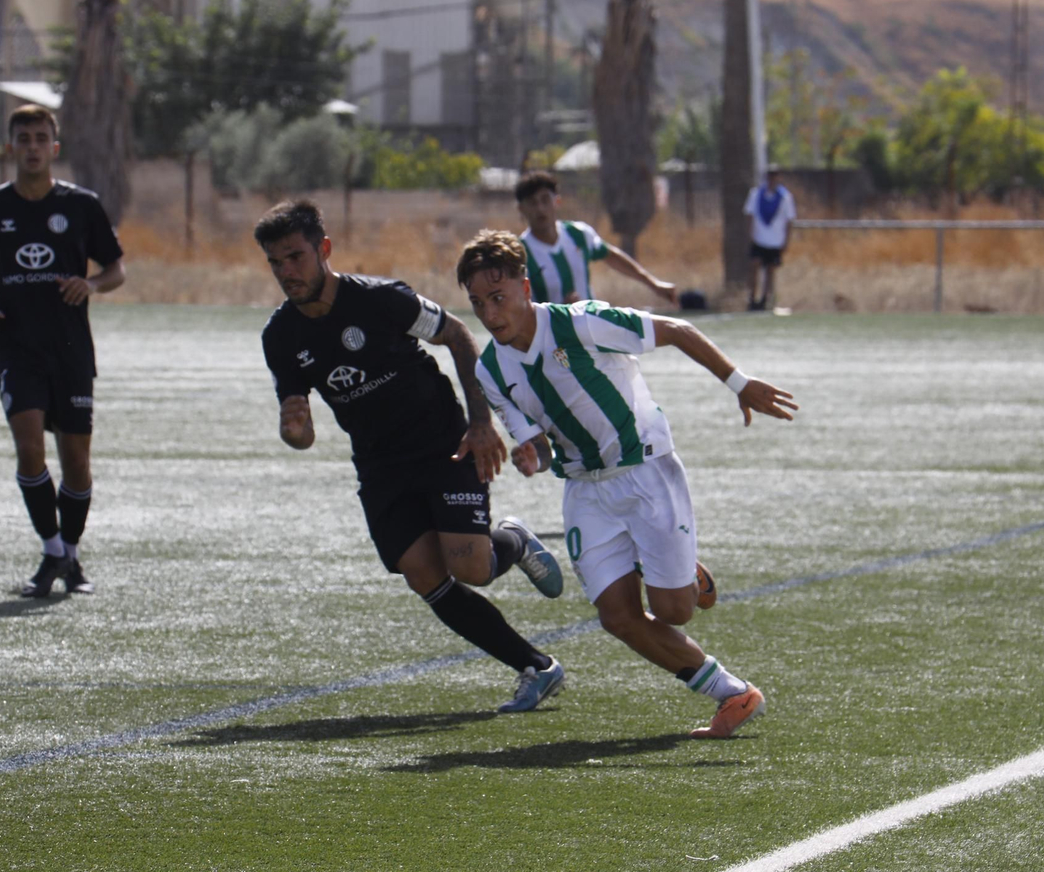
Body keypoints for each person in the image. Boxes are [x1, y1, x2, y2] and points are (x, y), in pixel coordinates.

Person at [456, 230, 800, 738]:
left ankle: (681, 574)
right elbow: (540, 445)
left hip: (646, 472)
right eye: (478, 303)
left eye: (498, 297)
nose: (490, 314)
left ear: (525, 288)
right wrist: (530, 456)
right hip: (586, 492)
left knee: (674, 610)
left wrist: (739, 383)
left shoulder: (581, 322)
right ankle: (733, 693)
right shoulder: (489, 370)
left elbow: (679, 329)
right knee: (615, 616)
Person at [256, 200, 567, 713]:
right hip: (379, 465)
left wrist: (480, 421)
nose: (287, 272)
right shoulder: (280, 336)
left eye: (295, 257)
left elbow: (458, 335)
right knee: (424, 575)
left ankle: (511, 541)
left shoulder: (380, 300)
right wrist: (295, 431)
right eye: (276, 263)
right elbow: (299, 427)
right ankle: (536, 666)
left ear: (324, 249)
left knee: (471, 568)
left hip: (444, 443)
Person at [0, 104, 126, 597]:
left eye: (40, 139)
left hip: (71, 348)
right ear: (10, 147)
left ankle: (70, 555)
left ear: (54, 148)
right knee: (30, 448)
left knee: (76, 461)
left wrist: (90, 284)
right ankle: (52, 548)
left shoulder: (81, 205)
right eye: (22, 138)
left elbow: (116, 270)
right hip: (16, 345)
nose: (31, 147)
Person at [515, 170, 677, 307]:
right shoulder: (519, 253)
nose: (540, 208)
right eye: (532, 202)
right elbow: (518, 303)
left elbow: (611, 256)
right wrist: (557, 311)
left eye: (545, 199)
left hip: (591, 327)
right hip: (550, 339)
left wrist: (654, 284)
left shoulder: (579, 234)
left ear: (557, 201)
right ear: (521, 209)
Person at [744, 168, 798, 311]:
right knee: (754, 265)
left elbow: (789, 220)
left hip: (775, 240)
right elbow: (749, 215)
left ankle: (766, 299)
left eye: (774, 176)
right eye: (769, 176)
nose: (772, 179)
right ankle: (751, 298)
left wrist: (786, 241)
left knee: (770, 270)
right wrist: (750, 235)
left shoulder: (785, 197)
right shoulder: (756, 194)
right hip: (759, 239)